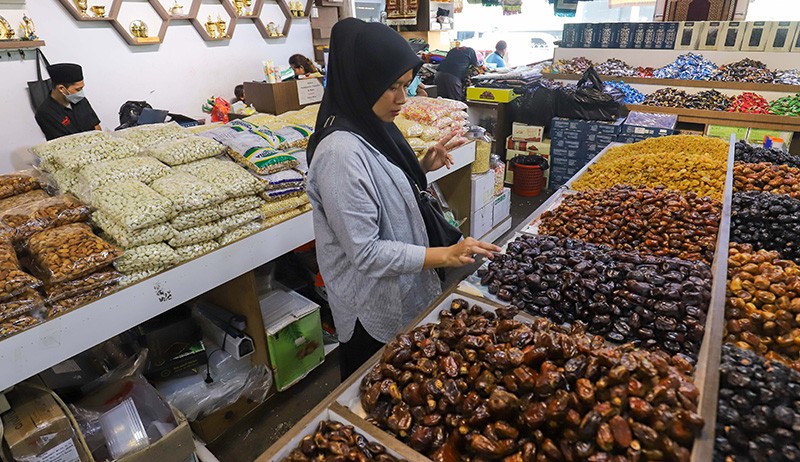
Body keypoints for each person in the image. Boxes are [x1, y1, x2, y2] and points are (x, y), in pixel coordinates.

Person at [306, 18, 500, 380]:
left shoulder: (372, 124)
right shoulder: (340, 153)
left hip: (404, 289)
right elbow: (365, 252)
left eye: (406, 85)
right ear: (361, 82)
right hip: (372, 307)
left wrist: (420, 168)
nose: (403, 98)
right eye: (392, 86)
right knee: (375, 383)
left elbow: (380, 192)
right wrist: (446, 255)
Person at [34, 63, 101, 141]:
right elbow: (62, 144)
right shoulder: (45, 113)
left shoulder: (80, 100)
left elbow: (96, 126)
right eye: (78, 89)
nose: (81, 93)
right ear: (61, 89)